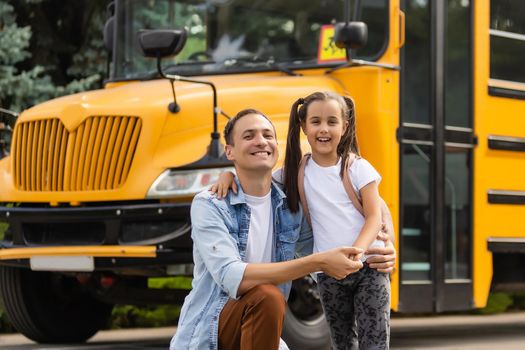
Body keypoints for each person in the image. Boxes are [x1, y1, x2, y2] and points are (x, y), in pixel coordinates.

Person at [170, 108, 366, 350]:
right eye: (249, 135)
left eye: (268, 135)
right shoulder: (211, 204)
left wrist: (376, 253)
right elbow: (233, 277)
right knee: (268, 295)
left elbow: (328, 251)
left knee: (268, 298)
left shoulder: (290, 205)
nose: (261, 141)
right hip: (208, 335)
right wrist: (318, 262)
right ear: (229, 150)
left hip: (261, 332)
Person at [212, 92, 394, 349]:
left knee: (374, 339)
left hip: (368, 267)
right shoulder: (292, 174)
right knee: (342, 341)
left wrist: (358, 253)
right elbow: (253, 176)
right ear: (303, 127)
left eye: (332, 122)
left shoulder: (357, 167)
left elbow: (376, 214)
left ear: (345, 126)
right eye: (316, 121)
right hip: (328, 273)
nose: (324, 129)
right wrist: (227, 175)